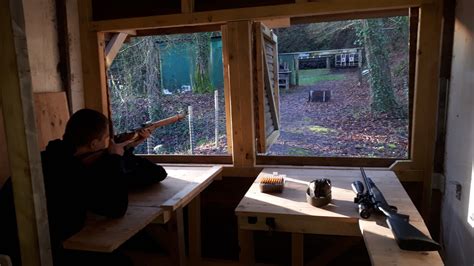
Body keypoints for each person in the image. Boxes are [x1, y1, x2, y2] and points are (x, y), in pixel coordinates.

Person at [0, 108, 167, 265]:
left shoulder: (45, 158)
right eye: (105, 139)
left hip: (16, 249)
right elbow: (116, 208)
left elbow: (155, 174)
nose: (108, 143)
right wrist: (115, 160)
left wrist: (128, 147)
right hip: (39, 256)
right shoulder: (75, 172)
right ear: (94, 144)